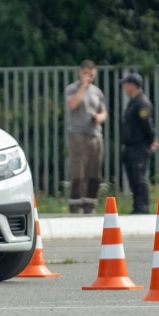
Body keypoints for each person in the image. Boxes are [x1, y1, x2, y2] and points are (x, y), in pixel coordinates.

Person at [64, 60, 108, 213]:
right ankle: (75, 203)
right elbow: (72, 104)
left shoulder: (97, 92)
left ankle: (90, 203)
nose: (88, 76)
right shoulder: (72, 88)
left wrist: (100, 117)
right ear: (80, 72)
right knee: (78, 169)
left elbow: (103, 111)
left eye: (91, 74)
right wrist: (82, 87)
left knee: (94, 169)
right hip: (78, 133)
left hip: (95, 133)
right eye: (85, 73)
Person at [119, 73, 157, 215]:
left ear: (133, 85)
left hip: (139, 146)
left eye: (126, 84)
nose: (124, 87)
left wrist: (152, 140)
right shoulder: (133, 101)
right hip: (131, 146)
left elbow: (147, 124)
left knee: (138, 177)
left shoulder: (142, 103)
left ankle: (142, 207)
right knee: (133, 176)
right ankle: (137, 207)